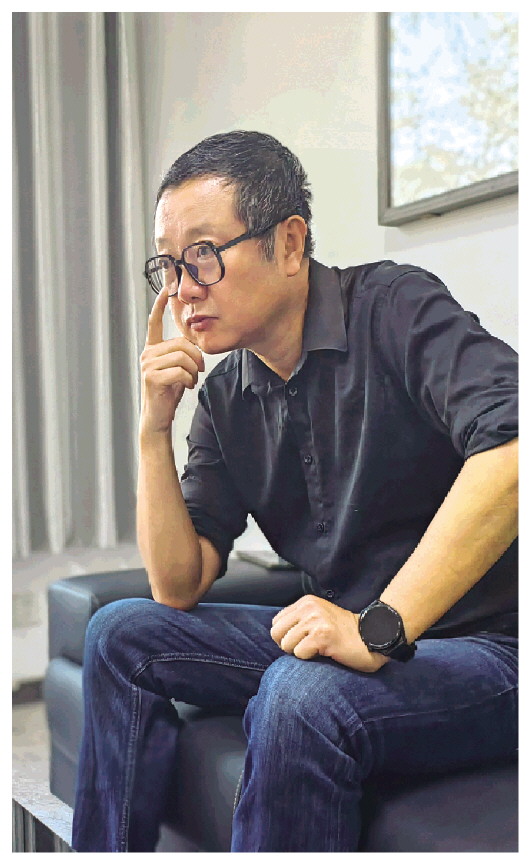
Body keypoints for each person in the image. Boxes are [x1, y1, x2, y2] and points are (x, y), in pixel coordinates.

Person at [71, 130, 518, 852]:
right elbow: (177, 585)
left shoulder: (394, 307)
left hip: (488, 651)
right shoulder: (226, 396)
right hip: (349, 639)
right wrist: (153, 429)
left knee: (301, 694)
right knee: (119, 634)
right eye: (169, 266)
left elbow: (514, 446)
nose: (182, 291)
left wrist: (380, 627)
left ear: (288, 243)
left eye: (204, 255)